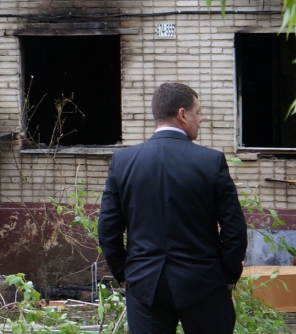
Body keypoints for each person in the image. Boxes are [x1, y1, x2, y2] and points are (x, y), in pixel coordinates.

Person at [98, 82, 247, 334]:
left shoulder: (123, 162)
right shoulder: (210, 162)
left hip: (145, 285)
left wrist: (125, 274)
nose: (199, 119)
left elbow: (108, 230)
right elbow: (234, 228)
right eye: (197, 112)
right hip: (204, 284)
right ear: (182, 114)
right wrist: (228, 275)